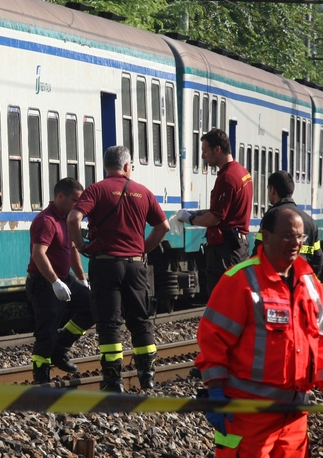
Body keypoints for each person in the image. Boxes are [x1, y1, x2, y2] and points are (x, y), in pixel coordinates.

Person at [195, 207, 323, 457]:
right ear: (266, 235)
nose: (295, 243)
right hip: (248, 416)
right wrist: (216, 390)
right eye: (287, 236)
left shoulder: (310, 283)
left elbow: (318, 342)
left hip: (295, 419)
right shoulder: (241, 280)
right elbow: (213, 340)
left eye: (300, 237)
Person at [67, 146, 169, 392]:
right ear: (126, 166)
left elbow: (73, 218)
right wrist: (142, 249)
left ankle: (113, 382)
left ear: (106, 166)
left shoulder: (96, 190)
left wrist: (80, 245)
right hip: (135, 266)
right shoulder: (143, 192)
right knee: (141, 322)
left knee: (110, 324)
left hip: (105, 265)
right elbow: (163, 226)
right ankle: (148, 378)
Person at [26, 177, 95, 384]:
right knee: (46, 332)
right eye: (75, 200)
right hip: (43, 282)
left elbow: (73, 248)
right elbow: (39, 253)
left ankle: (60, 349)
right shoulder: (46, 221)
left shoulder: (67, 219)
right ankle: (41, 379)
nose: (79, 205)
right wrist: (55, 281)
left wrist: (82, 280)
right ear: (60, 196)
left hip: (65, 279)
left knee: (93, 306)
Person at [176, 128, 253, 301]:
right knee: (236, 297)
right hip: (239, 246)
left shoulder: (227, 178)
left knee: (222, 299)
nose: (203, 156)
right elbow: (224, 211)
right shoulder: (243, 173)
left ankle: (221, 329)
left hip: (225, 251)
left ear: (217, 149)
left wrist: (190, 218)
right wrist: (195, 212)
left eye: (205, 151)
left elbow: (215, 218)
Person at [251, 170, 323, 277]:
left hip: (276, 279)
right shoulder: (310, 222)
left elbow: (259, 250)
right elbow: (318, 258)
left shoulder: (272, 217)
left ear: (272, 190)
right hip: (302, 281)